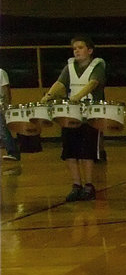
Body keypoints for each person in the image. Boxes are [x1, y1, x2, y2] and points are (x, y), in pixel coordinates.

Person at [40, 36, 105, 201]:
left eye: (80, 47)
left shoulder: (98, 65)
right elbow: (60, 84)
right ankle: (76, 185)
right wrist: (47, 96)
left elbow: (93, 83)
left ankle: (89, 185)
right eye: (75, 48)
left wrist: (77, 97)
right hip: (71, 114)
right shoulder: (69, 67)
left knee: (87, 151)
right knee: (70, 151)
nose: (77, 51)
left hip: (90, 115)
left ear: (89, 51)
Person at [0, 67, 20, 171]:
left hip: (1, 106)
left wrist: (6, 106)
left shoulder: (1, 72)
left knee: (3, 130)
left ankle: (13, 152)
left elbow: (5, 90)